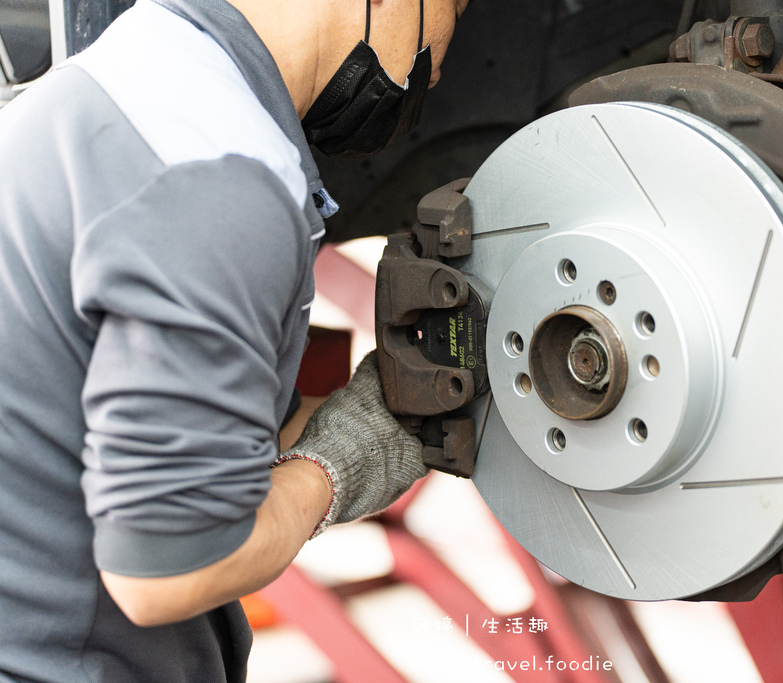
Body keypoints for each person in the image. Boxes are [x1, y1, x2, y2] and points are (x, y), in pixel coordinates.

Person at [0, 0, 468, 679]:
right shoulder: (220, 173)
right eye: (455, 6)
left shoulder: (124, 82)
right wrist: (346, 457)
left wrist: (357, 409)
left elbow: (147, 419)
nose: (440, 64)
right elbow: (168, 566)